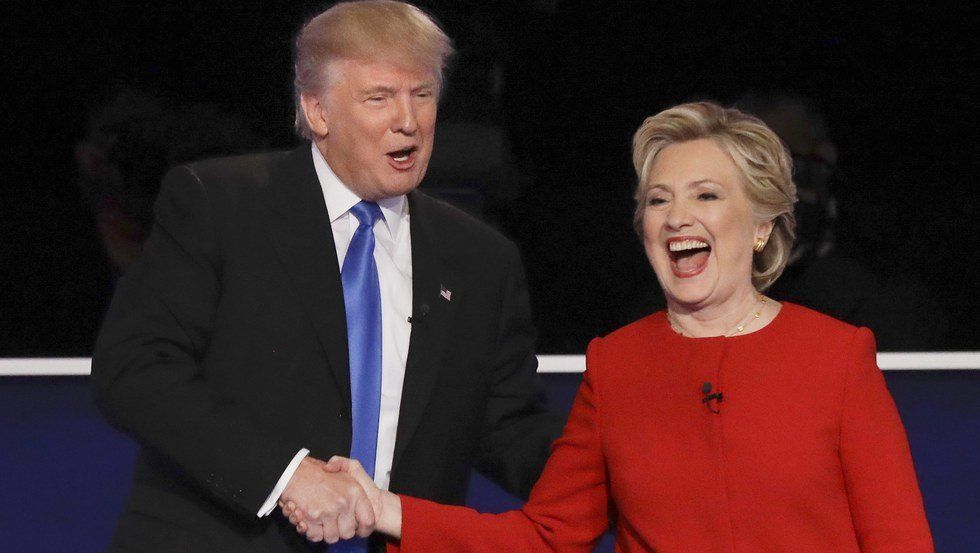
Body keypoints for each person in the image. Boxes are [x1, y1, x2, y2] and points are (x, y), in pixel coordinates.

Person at [290, 101, 935, 551]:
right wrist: (385, 508)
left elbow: (900, 542)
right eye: (658, 200)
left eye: (707, 195)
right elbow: (545, 537)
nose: (676, 217)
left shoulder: (836, 358)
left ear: (763, 224)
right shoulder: (618, 365)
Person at [90, 2, 563, 552]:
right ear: (317, 111)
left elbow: (508, 428)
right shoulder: (221, 206)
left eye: (422, 94)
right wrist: (287, 475)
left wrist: (622, 470)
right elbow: (136, 370)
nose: (408, 120)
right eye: (379, 97)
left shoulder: (480, 258)